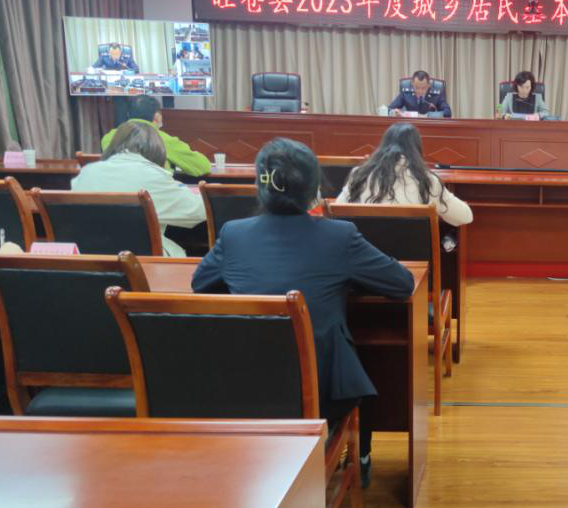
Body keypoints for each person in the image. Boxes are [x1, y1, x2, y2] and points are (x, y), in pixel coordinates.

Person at [191, 138, 414, 487]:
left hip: (245, 386)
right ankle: (359, 458)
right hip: (322, 392)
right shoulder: (339, 236)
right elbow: (402, 283)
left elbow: (200, 285)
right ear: (314, 189)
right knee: (365, 356)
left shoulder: (233, 235)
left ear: (260, 186)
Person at [72, 119, 206, 258]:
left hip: (90, 259)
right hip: (143, 261)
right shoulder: (153, 176)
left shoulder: (86, 173)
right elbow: (197, 212)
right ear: (156, 150)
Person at [337, 123, 473, 226]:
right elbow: (466, 217)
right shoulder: (426, 180)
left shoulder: (359, 174)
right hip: (413, 255)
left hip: (365, 254)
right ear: (416, 149)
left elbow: (336, 212)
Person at [101, 94, 211, 177]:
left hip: (117, 194)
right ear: (158, 117)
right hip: (154, 194)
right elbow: (202, 167)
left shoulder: (110, 137)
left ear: (128, 114)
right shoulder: (162, 139)